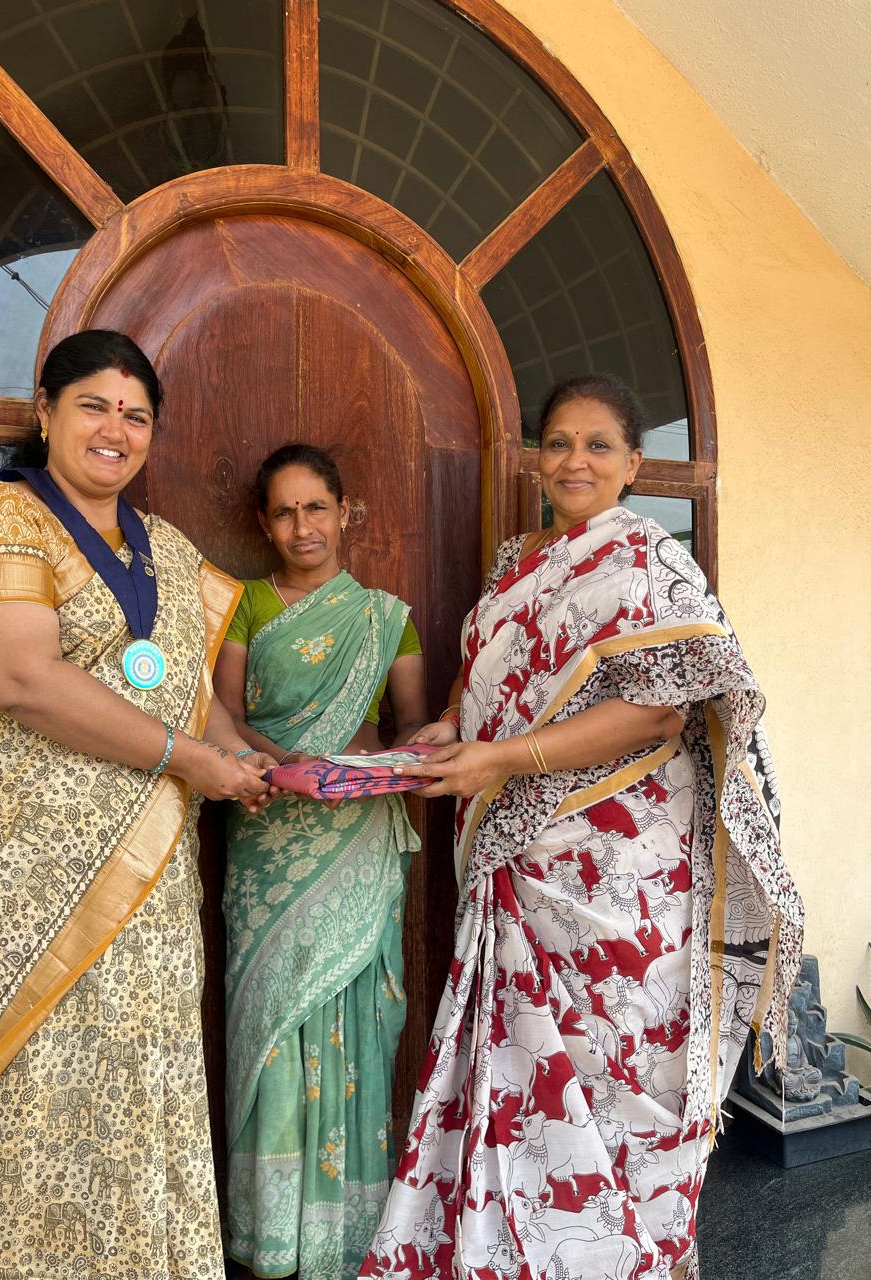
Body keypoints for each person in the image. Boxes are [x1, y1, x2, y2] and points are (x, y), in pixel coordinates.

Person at [359, 374, 803, 1280]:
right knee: (530, 1069)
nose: (575, 461)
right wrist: (449, 725)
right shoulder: (516, 563)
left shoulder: (651, 564)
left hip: (622, 866)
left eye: (598, 445)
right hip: (523, 861)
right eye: (558, 443)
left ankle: (634, 1254)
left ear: (634, 463)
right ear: (536, 458)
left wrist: (502, 759)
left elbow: (658, 713)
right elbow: (487, 673)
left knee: (624, 1063)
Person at [0, 329, 274, 1280]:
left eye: (136, 414)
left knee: (140, 1094)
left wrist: (256, 762)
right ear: (46, 412)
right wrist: (192, 760)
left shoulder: (168, 549)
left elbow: (197, 702)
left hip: (146, 897)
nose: (115, 429)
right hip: (21, 890)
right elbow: (20, 678)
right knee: (31, 1104)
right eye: (93, 406)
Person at [214, 444, 428, 1279]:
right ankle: (272, 1232)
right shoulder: (244, 605)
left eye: (316, 508)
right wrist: (286, 767)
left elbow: (411, 728)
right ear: (264, 522)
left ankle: (344, 1232)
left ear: (345, 513)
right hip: (267, 826)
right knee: (272, 1020)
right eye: (284, 511)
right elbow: (222, 716)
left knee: (356, 1017)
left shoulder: (385, 617)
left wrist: (385, 763)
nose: (302, 526)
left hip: (358, 832)